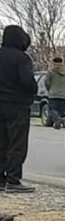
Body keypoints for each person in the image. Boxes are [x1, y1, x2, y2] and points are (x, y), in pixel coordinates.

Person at [0, 25, 37, 193]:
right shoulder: (22, 59)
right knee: (17, 143)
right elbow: (27, 82)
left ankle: (1, 178)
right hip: (17, 105)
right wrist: (33, 90)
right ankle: (13, 179)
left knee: (2, 142)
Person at [44, 56, 65, 130]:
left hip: (53, 94)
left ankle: (58, 119)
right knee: (60, 110)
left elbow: (47, 82)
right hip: (64, 94)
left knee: (52, 110)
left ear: (53, 63)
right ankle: (58, 122)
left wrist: (49, 89)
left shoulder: (50, 72)